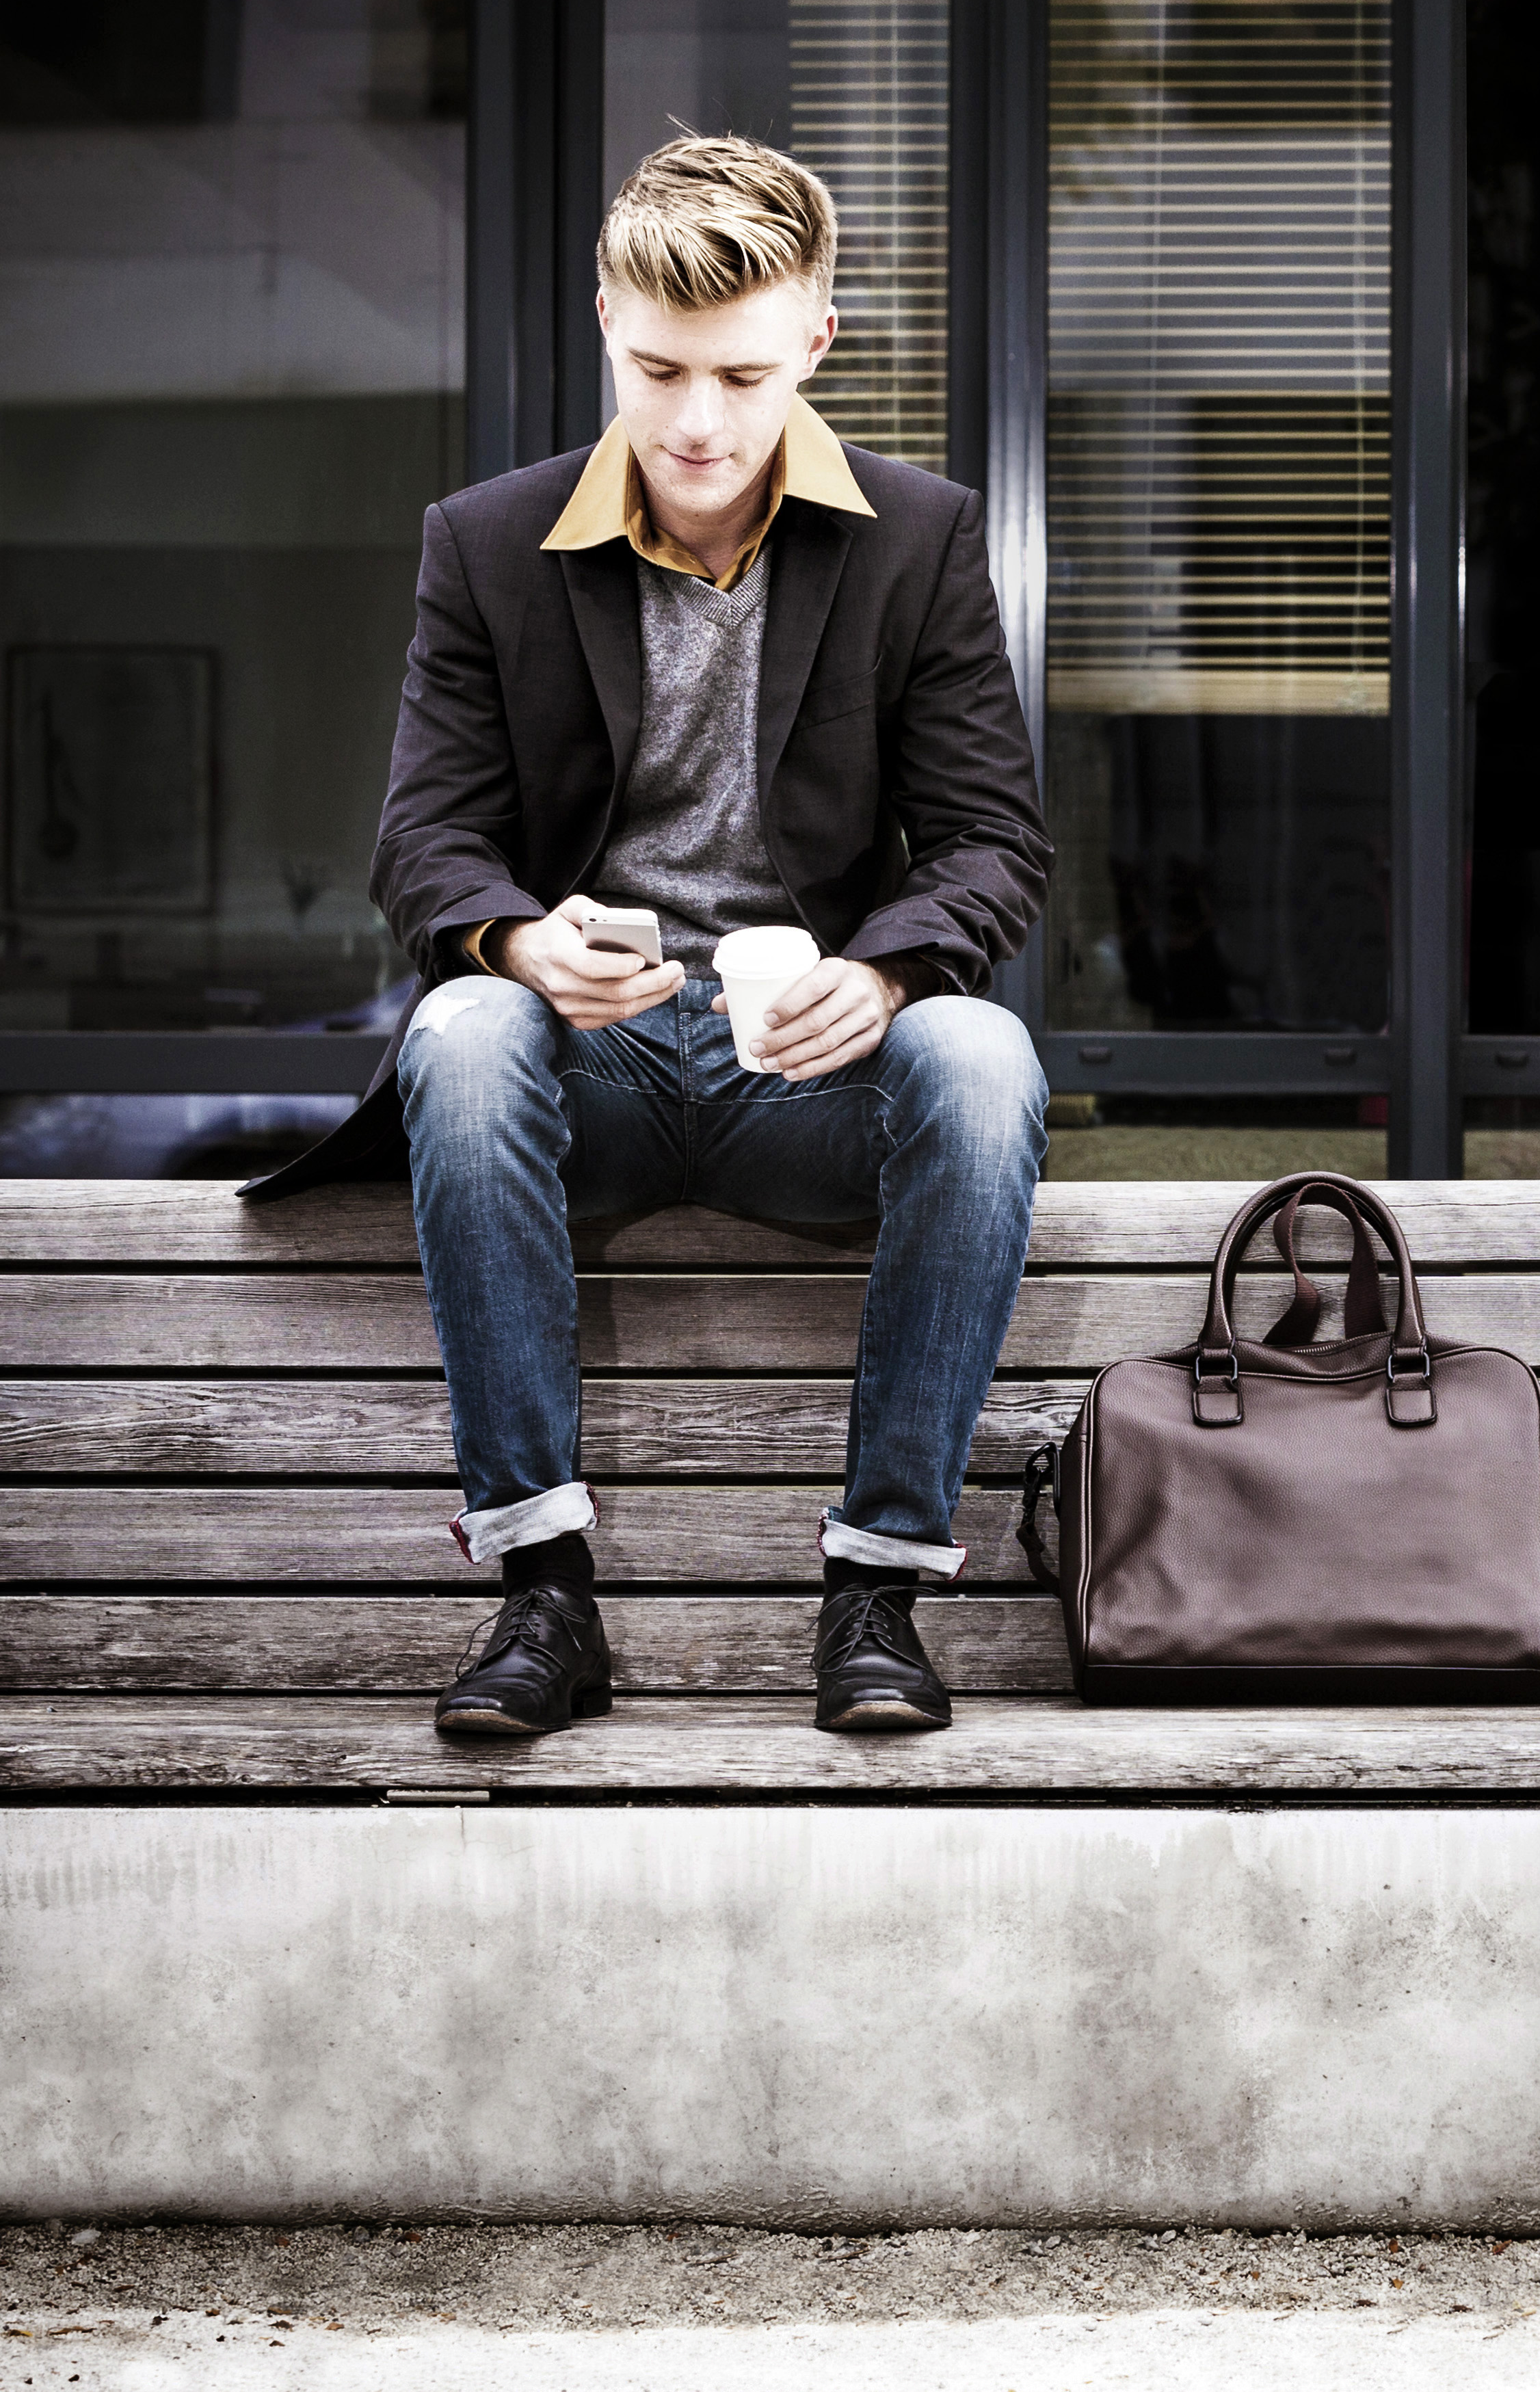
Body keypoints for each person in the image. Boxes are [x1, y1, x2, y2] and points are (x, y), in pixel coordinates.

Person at [241, 135, 1053, 1740]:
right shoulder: (485, 541)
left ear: (816, 342)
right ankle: (544, 1599)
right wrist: (522, 943)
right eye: (659, 367)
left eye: (743, 375)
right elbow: (425, 840)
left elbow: (993, 842)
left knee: (979, 1048)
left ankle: (877, 1594)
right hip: (582, 1075)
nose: (697, 423)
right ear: (605, 322)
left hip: (807, 1078)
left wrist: (881, 972)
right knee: (460, 1028)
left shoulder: (918, 535)